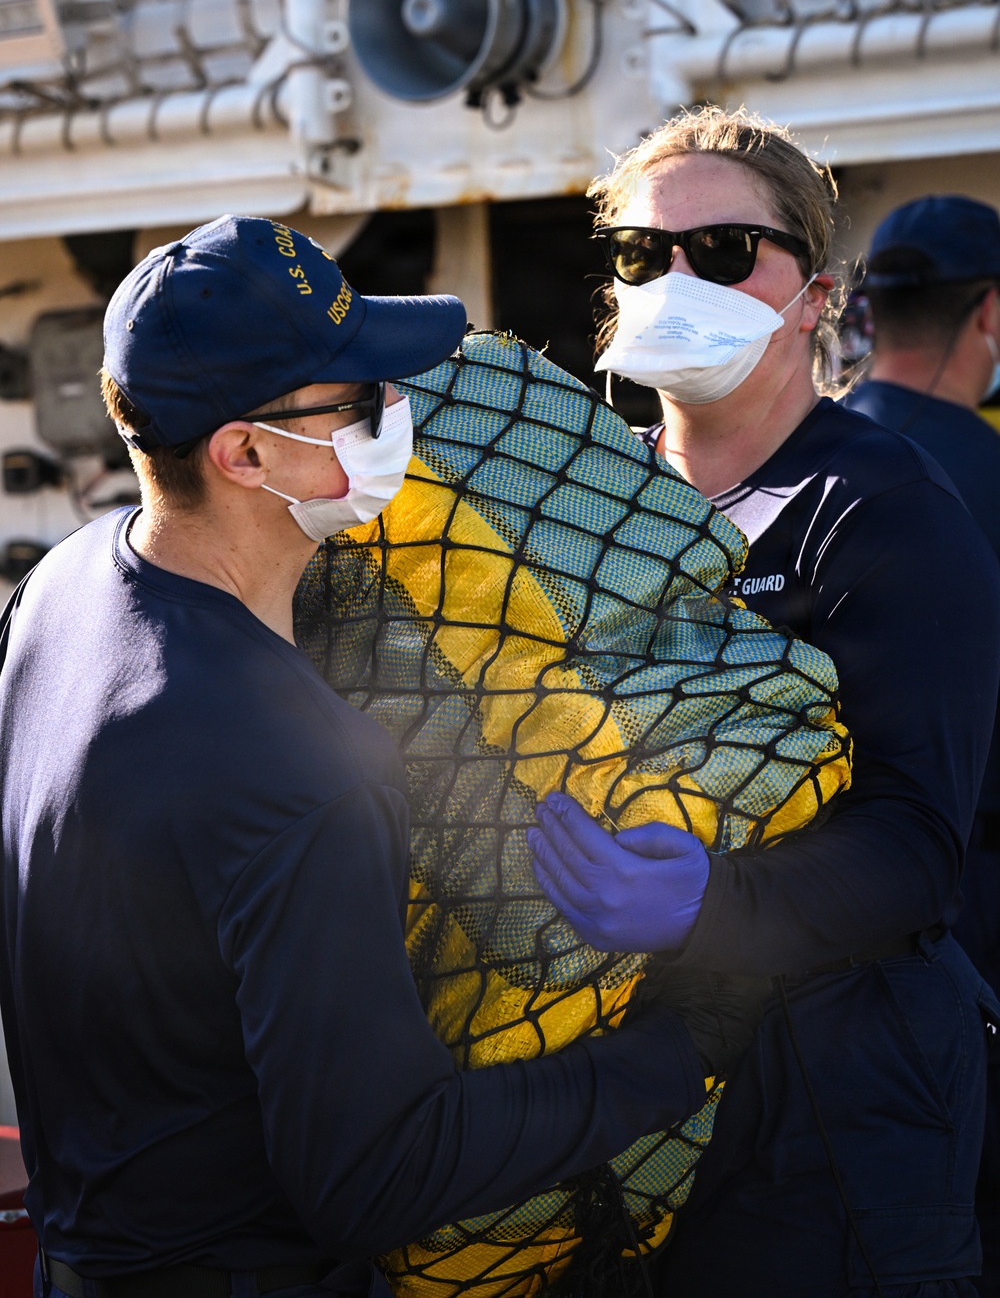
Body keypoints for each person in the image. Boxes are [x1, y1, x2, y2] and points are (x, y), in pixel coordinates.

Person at [0, 216, 765, 1298]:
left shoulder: (60, 597)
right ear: (245, 453)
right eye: (358, 401)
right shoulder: (299, 766)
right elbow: (377, 1171)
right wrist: (682, 1045)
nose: (396, 414)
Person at [527, 109, 1000, 1296]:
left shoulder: (885, 512)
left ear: (814, 296)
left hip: (834, 1102)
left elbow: (914, 847)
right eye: (642, 255)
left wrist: (708, 903)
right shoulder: (587, 498)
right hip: (611, 1086)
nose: (677, 275)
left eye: (726, 251)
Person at [843, 195, 1000, 1297]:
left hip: (803, 911)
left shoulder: (811, 460)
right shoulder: (978, 473)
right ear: (988, 314)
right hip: (972, 898)